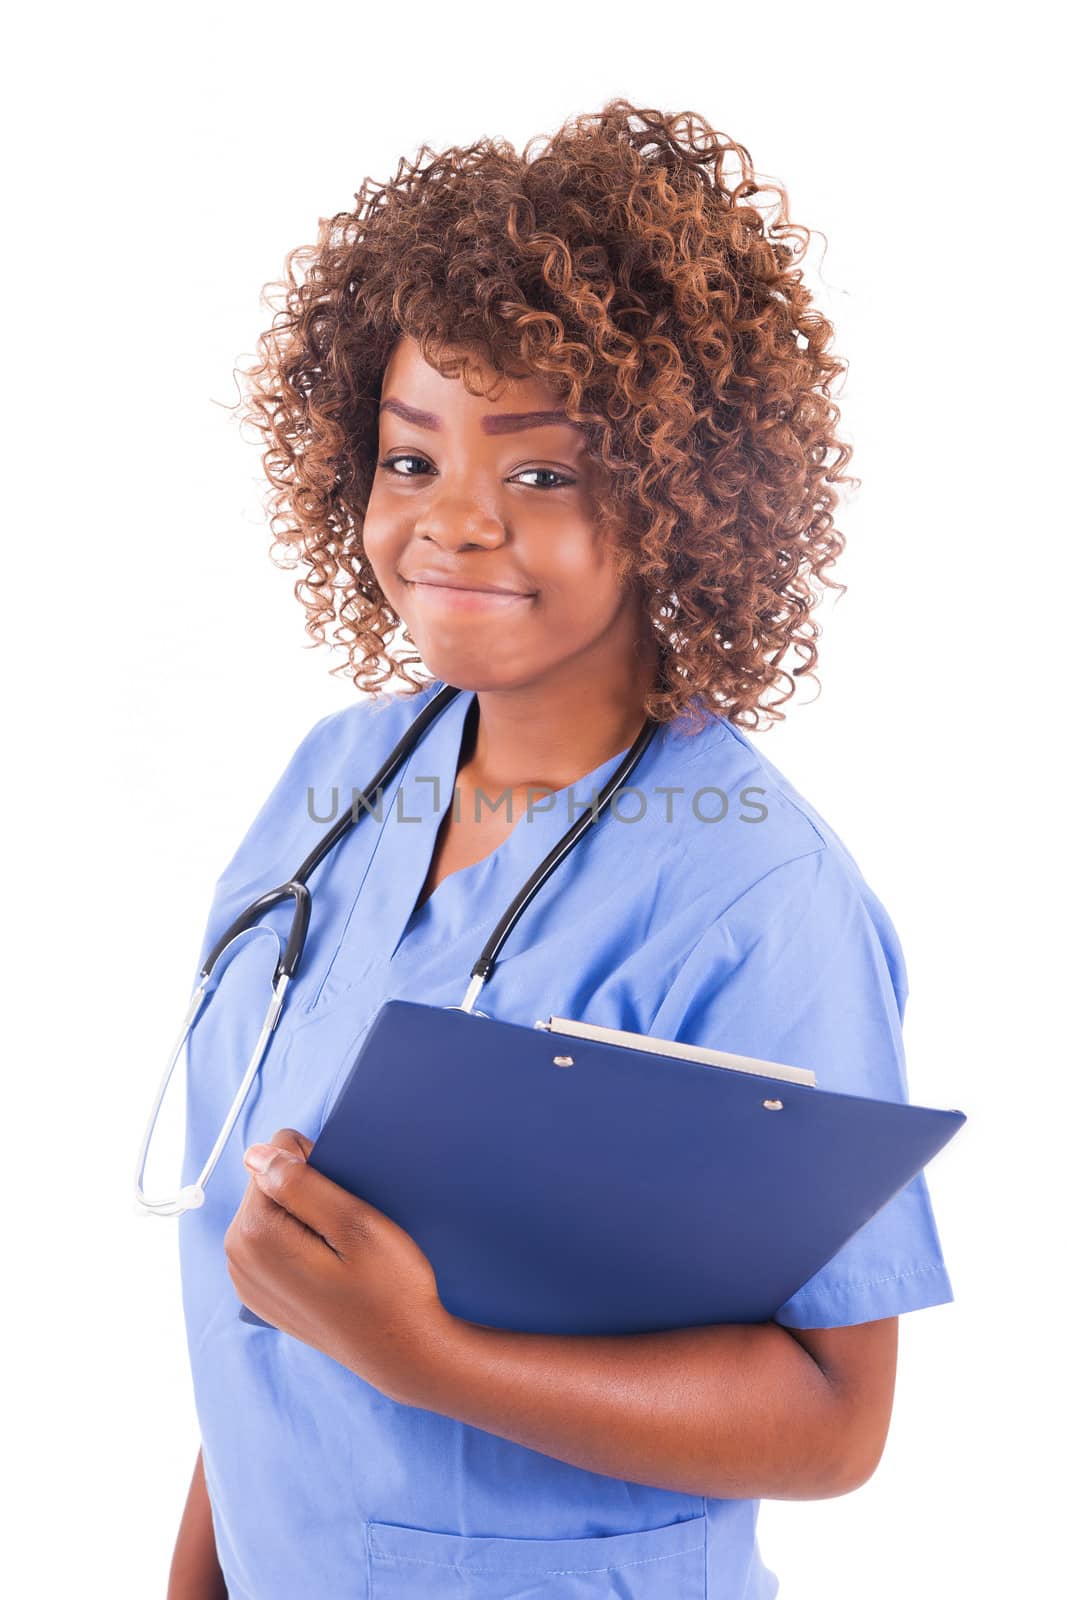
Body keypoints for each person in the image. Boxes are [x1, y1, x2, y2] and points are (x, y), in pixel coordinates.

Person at [166, 101, 954, 1600]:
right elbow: (265, 1288)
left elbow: (837, 1418)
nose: (453, 524)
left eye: (538, 474)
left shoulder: (753, 895)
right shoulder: (336, 785)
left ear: (675, 500)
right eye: (412, 463)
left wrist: (428, 1356)